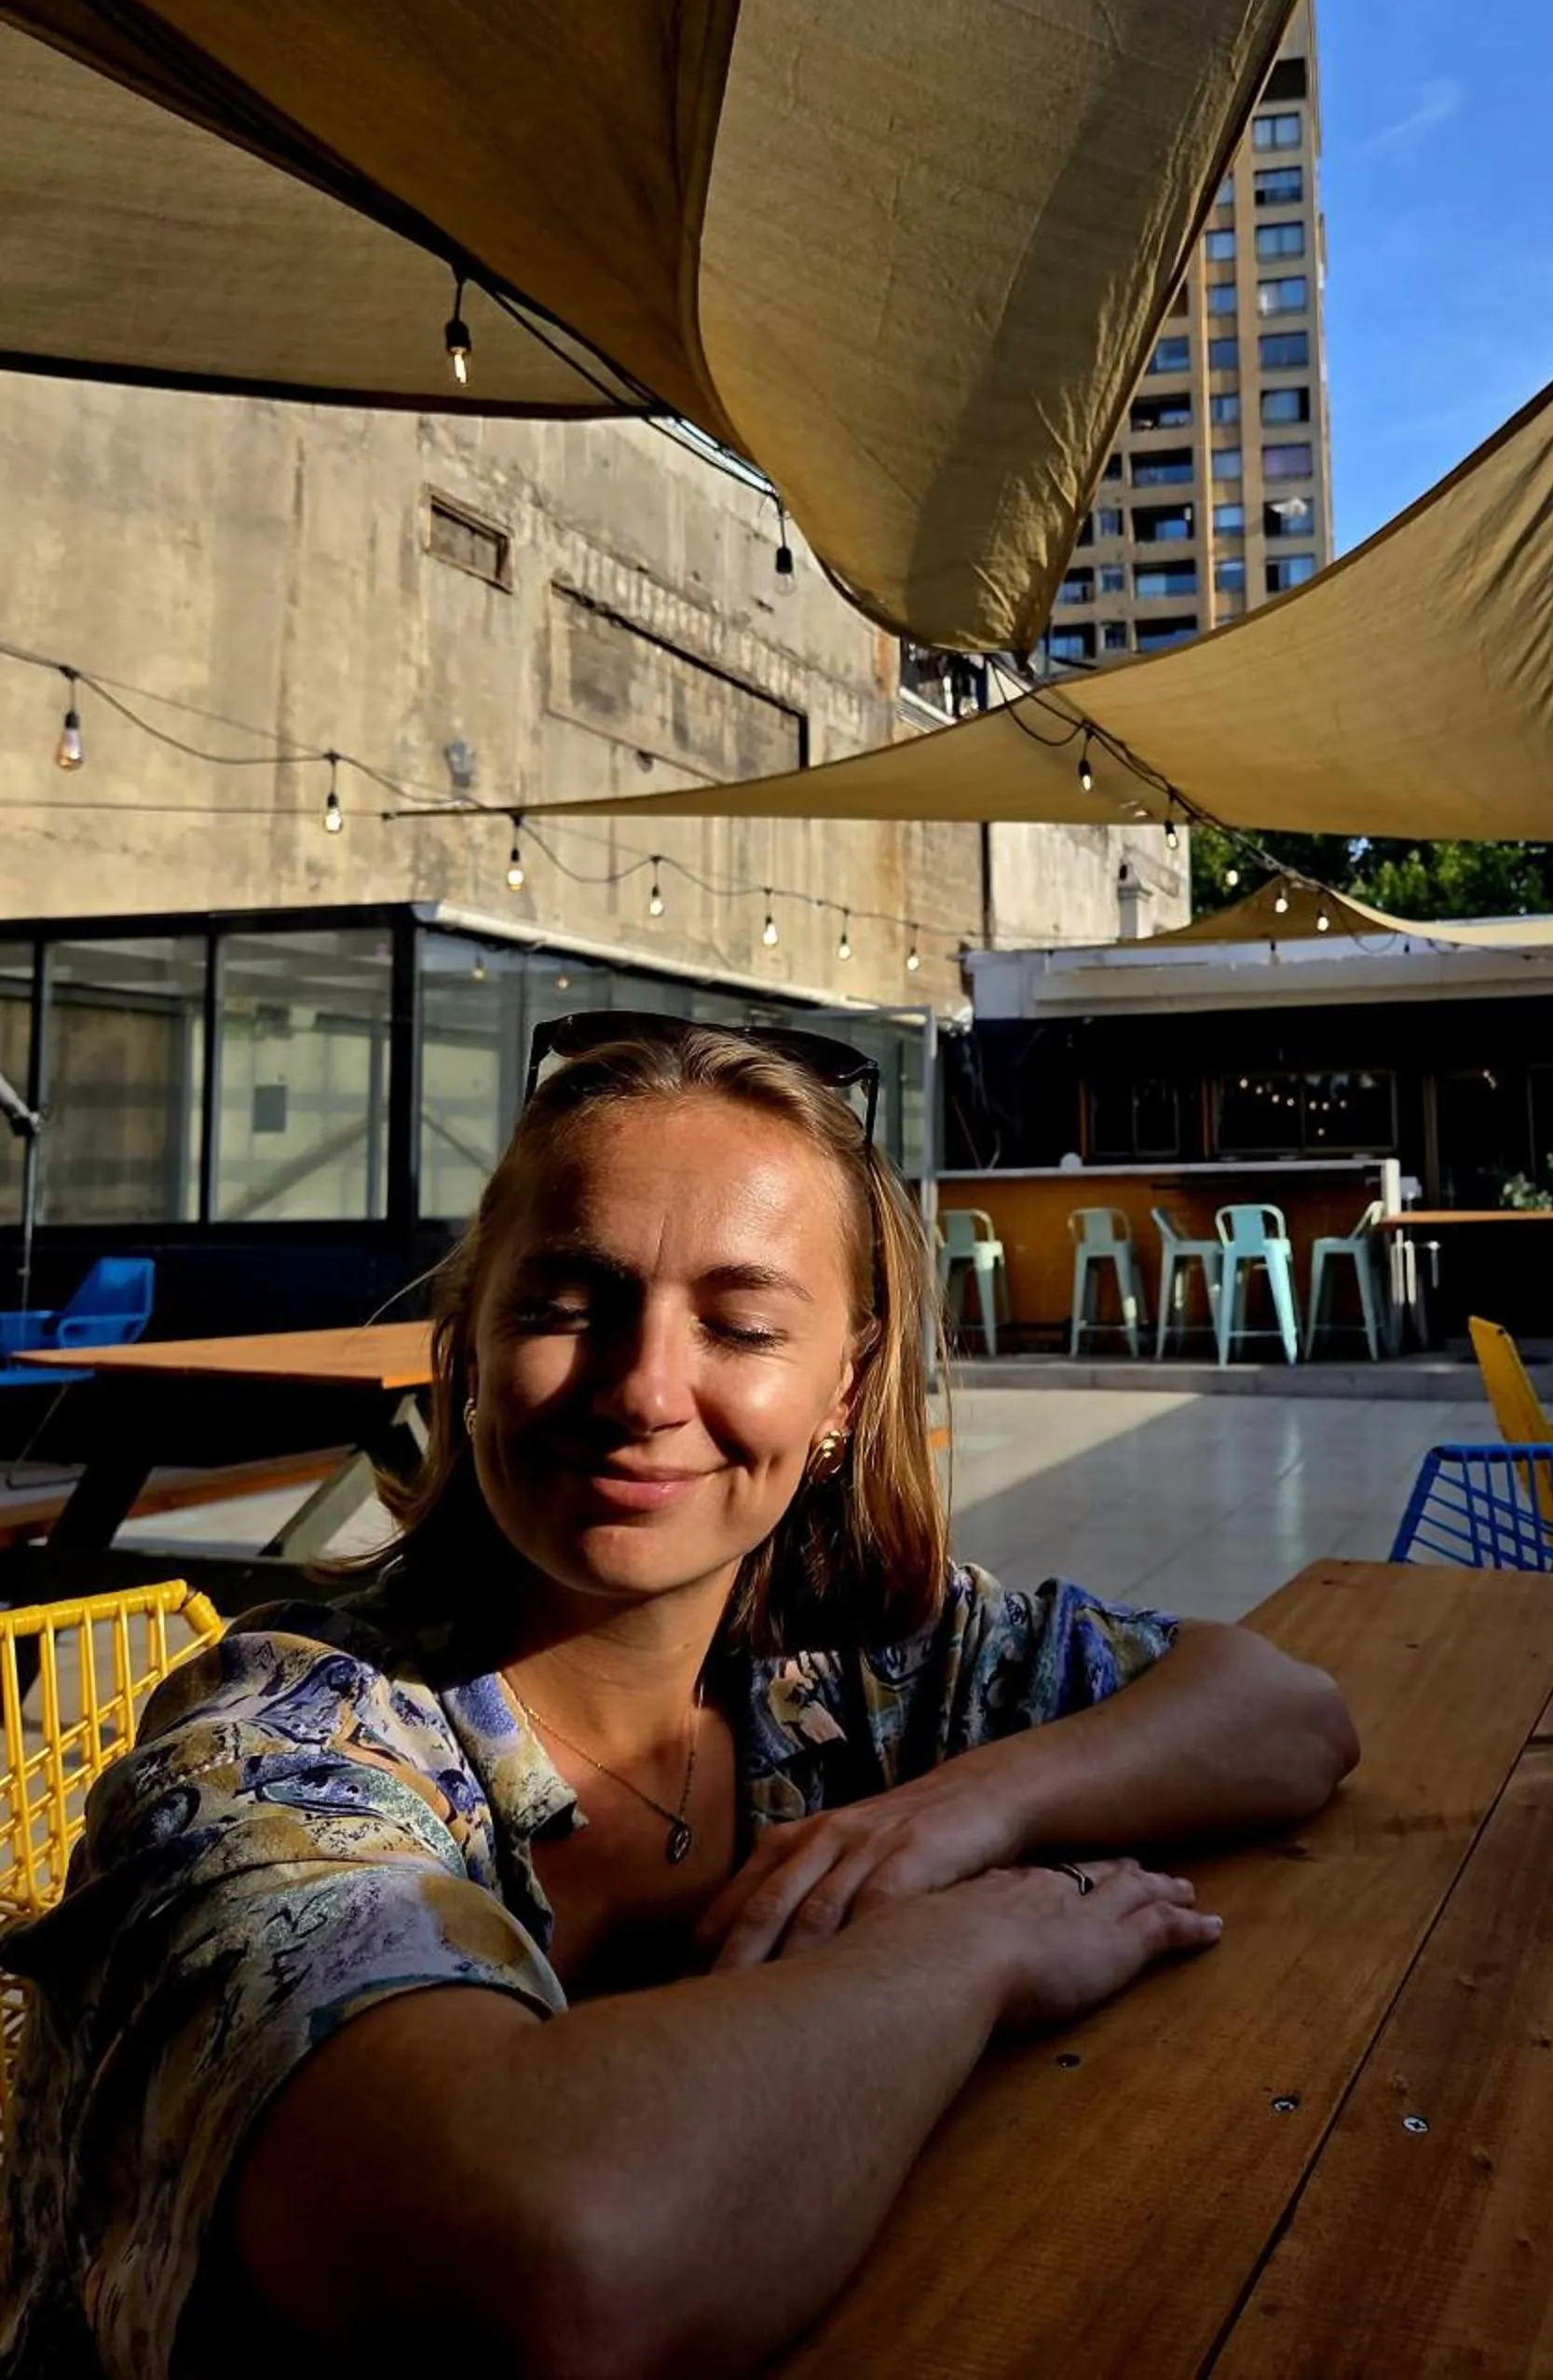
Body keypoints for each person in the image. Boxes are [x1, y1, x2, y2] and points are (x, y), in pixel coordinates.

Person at [2, 1018, 1358, 2375]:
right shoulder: (283, 1746)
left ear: (845, 1389)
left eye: (741, 1325)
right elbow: (556, 2263)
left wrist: (978, 1804)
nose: (644, 1389)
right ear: (468, 1345)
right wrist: (969, 1950)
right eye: (564, 1306)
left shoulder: (857, 1669)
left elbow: (1283, 1709)